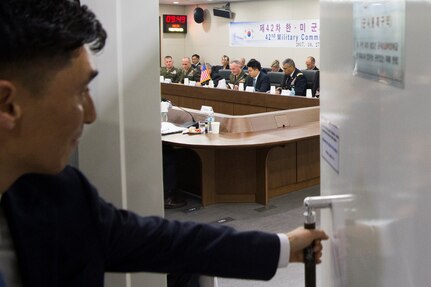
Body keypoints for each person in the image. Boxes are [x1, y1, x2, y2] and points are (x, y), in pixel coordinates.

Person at [0, 1, 329, 286]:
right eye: (79, 93)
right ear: (8, 105)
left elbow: (162, 241)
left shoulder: (56, 193)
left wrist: (282, 246)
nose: (91, 114)